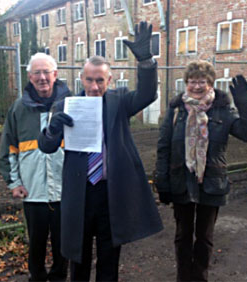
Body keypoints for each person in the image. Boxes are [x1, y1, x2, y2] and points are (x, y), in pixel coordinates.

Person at [38, 21, 163, 281]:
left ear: (109, 80)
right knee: (78, 258)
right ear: (81, 78)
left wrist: (146, 61)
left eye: (100, 80)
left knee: (109, 258)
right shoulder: (66, 105)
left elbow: (148, 94)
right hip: (79, 193)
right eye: (89, 80)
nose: (94, 86)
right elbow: (47, 147)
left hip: (111, 193)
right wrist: (52, 129)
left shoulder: (119, 102)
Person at [155, 60, 247, 282]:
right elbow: (163, 147)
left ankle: (200, 277)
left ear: (210, 83)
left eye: (202, 81)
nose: (197, 86)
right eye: (192, 81)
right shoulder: (176, 110)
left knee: (204, 237)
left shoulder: (223, 110)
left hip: (211, 184)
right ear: (186, 83)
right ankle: (183, 277)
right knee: (182, 235)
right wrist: (161, 181)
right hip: (181, 181)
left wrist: (244, 102)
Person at [0, 52, 69, 281]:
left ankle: (59, 277)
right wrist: (14, 182)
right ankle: (36, 277)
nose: (42, 77)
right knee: (36, 245)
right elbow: (9, 148)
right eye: (37, 73)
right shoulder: (18, 109)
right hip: (33, 192)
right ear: (29, 77)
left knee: (63, 245)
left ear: (55, 75)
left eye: (46, 72)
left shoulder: (70, 104)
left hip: (64, 191)